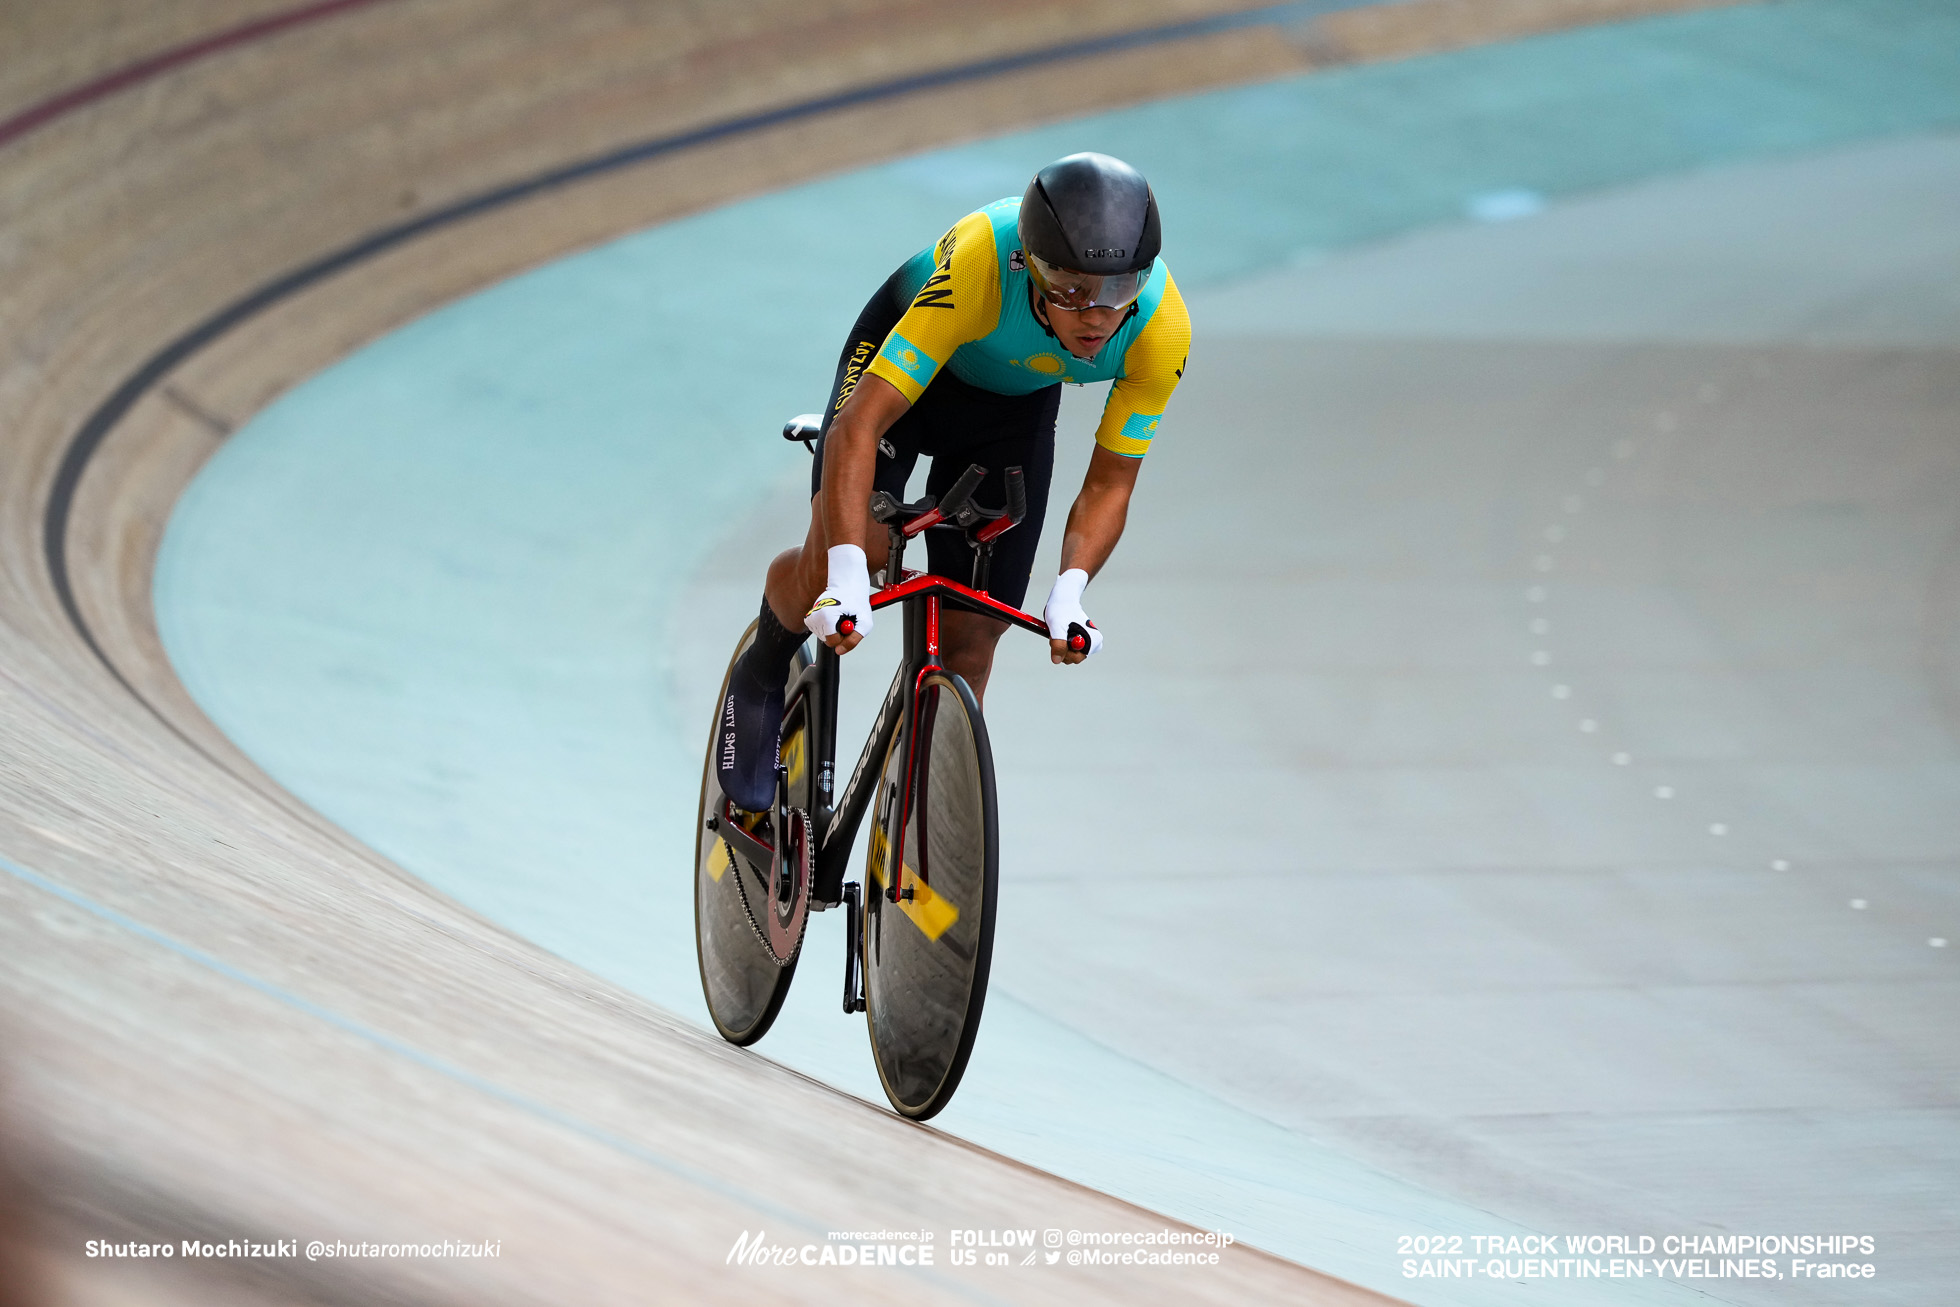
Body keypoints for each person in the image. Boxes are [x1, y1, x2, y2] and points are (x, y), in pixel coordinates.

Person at [719, 151, 1191, 811]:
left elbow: (1111, 482)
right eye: (1073, 290)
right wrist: (849, 573)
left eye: (1116, 291)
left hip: (1011, 409)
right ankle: (765, 666)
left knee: (973, 634)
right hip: (905, 375)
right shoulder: (982, 265)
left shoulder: (1161, 329)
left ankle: (921, 836)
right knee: (857, 555)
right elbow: (859, 427)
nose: (1095, 315)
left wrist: (1072, 589)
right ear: (1032, 265)